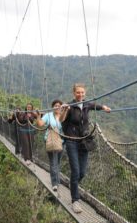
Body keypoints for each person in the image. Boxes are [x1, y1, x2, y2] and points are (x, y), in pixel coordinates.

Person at [59, 83, 111, 213]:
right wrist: (64, 109)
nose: (80, 94)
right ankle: (75, 200)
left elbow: (96, 106)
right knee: (76, 171)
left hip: (84, 142)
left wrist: (104, 107)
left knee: (82, 173)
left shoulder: (87, 105)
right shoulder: (70, 106)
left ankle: (73, 184)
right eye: (78, 92)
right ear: (74, 93)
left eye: (82, 92)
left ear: (85, 93)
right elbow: (61, 119)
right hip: (71, 142)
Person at [36, 99, 64, 192]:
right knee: (53, 162)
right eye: (55, 105)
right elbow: (40, 124)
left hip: (61, 142)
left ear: (61, 107)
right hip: (50, 141)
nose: (57, 107)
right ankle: (54, 183)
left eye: (59, 105)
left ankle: (57, 180)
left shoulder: (63, 116)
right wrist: (38, 116)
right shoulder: (48, 115)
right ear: (52, 107)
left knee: (58, 162)